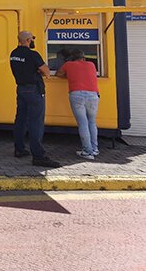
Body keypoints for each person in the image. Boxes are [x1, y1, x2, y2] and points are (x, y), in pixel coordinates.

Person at [10, 31, 60, 168]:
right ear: (27, 40)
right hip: (34, 90)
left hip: (21, 89)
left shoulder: (13, 54)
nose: (33, 41)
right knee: (36, 122)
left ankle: (19, 149)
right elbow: (47, 72)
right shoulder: (33, 55)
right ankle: (38, 156)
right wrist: (40, 71)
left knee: (20, 119)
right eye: (32, 38)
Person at [56, 49, 100, 159]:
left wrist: (69, 75)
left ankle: (87, 151)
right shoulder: (91, 64)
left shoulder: (68, 65)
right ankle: (94, 149)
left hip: (77, 95)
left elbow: (58, 74)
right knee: (92, 122)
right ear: (83, 58)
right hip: (93, 95)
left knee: (83, 123)